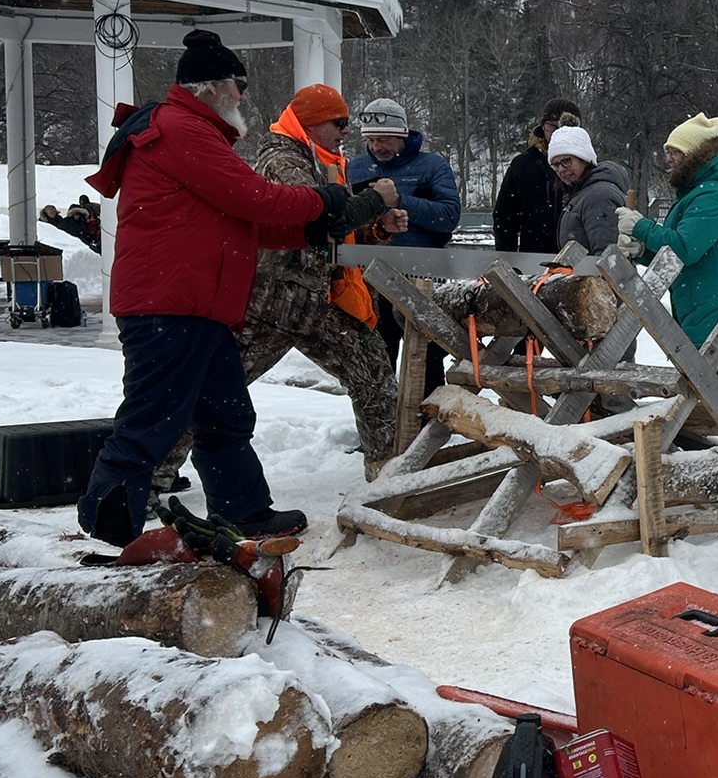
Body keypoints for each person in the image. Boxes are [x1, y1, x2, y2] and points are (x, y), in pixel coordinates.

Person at [76, 30, 401, 547]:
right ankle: (110, 525)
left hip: (203, 304)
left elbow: (260, 222)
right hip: (171, 301)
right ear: (212, 88)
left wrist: (342, 216)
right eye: (239, 86)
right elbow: (262, 202)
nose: (244, 98)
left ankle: (243, 511)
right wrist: (352, 204)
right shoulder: (182, 130)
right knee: (153, 416)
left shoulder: (197, 131)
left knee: (224, 413)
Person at [151, 84, 402, 494]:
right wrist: (375, 200)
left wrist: (376, 227)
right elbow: (315, 221)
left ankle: (388, 474)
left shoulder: (320, 160)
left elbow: (334, 226)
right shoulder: (283, 159)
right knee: (214, 389)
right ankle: (147, 474)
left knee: (370, 372)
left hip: (304, 297)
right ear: (312, 122)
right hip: (279, 298)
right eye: (338, 123)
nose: (345, 131)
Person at [615, 113, 718, 393]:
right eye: (667, 151)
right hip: (705, 317)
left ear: (694, 156)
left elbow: (684, 248)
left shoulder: (712, 196)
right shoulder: (695, 195)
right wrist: (642, 251)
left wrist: (641, 227)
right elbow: (677, 257)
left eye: (675, 152)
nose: (668, 158)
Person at [349, 97, 461, 394]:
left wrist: (400, 201)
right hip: (371, 279)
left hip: (423, 278)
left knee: (425, 357)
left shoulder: (432, 166)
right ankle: (381, 430)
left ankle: (428, 425)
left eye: (383, 139)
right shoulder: (355, 168)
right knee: (375, 359)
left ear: (402, 135)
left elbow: (449, 216)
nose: (376, 147)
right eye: (370, 140)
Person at [494, 98, 578, 253]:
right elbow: (504, 217)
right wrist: (508, 261)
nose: (557, 132)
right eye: (552, 126)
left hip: (577, 262)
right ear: (543, 127)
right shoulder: (522, 165)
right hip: (531, 259)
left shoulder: (585, 166)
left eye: (565, 127)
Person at [549, 125, 630, 254]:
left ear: (585, 159)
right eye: (556, 164)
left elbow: (608, 256)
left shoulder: (599, 196)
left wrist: (591, 273)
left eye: (566, 161)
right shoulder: (579, 195)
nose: (561, 169)